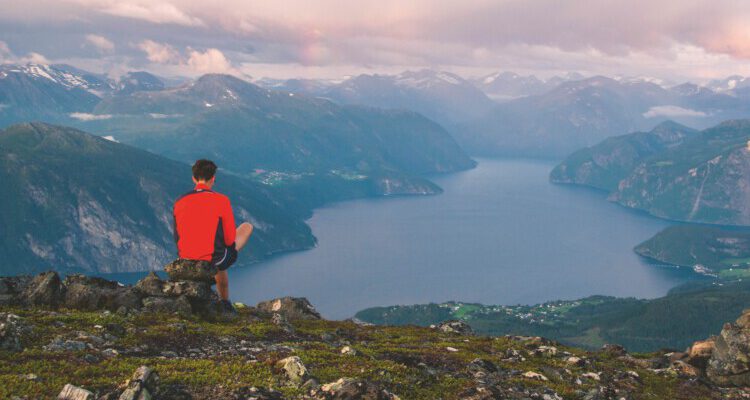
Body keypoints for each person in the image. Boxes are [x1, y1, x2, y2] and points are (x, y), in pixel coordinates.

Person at [172, 159, 253, 313]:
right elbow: (230, 240)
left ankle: (221, 299)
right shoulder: (221, 200)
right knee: (246, 227)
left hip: (186, 258)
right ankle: (225, 301)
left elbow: (177, 237)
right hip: (214, 260)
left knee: (212, 247)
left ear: (193, 179)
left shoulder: (179, 201)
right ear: (213, 179)